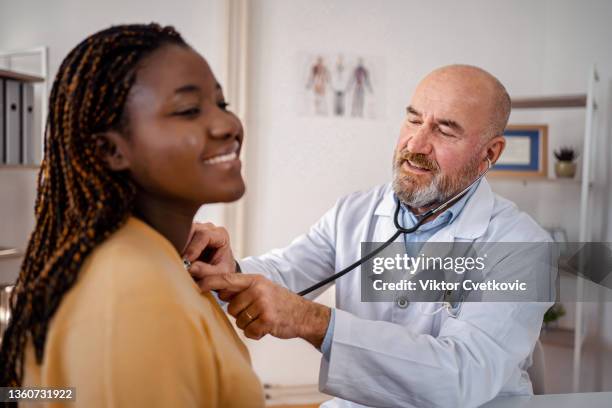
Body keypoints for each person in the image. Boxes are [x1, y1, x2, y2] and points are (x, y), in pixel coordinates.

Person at [185, 65, 553, 407]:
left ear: (490, 153)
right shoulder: (356, 212)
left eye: (444, 130)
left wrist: (311, 320)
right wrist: (226, 269)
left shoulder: (523, 247)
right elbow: (286, 273)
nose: (416, 144)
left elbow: (462, 375)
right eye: (413, 119)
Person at [0, 24, 264, 407]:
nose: (228, 124)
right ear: (111, 150)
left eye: (221, 105)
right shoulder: (132, 292)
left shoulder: (158, 261)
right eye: (189, 110)